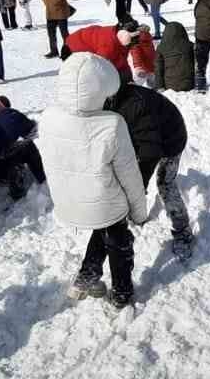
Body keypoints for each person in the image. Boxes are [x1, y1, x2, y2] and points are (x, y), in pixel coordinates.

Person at [35, 52, 148, 308]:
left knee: (102, 221)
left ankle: (86, 277)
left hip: (68, 204)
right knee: (118, 239)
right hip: (103, 203)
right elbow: (129, 174)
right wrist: (139, 212)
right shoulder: (111, 124)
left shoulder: (48, 116)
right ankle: (122, 293)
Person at [107, 79, 194, 260]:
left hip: (170, 138)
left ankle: (183, 231)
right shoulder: (108, 98)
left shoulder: (134, 106)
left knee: (165, 182)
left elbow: (149, 154)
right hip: (145, 136)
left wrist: (138, 189)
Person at [63, 22, 141, 80]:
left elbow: (123, 62)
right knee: (86, 76)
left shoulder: (119, 38)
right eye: (131, 44)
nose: (131, 47)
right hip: (73, 47)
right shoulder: (107, 46)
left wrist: (129, 79)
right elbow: (101, 67)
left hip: (87, 39)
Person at [155, 22, 196, 92]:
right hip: (189, 83)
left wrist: (160, 86)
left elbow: (158, 69)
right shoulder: (190, 45)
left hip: (170, 85)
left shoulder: (161, 48)